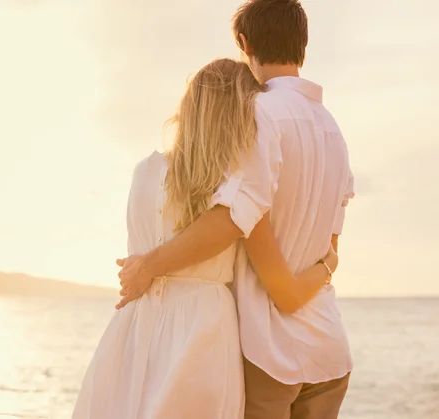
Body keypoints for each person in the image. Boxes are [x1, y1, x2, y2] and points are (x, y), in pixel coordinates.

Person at [116, 2, 355, 419]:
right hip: (329, 349)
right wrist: (325, 269)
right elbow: (330, 244)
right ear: (303, 44)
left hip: (271, 353)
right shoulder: (333, 129)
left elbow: (232, 218)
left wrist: (147, 265)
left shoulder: (257, 115)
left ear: (244, 43)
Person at [72, 58, 337, 419]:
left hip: (137, 320)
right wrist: (326, 266)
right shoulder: (232, 190)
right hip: (203, 325)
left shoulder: (146, 170)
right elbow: (270, 270)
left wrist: (147, 268)